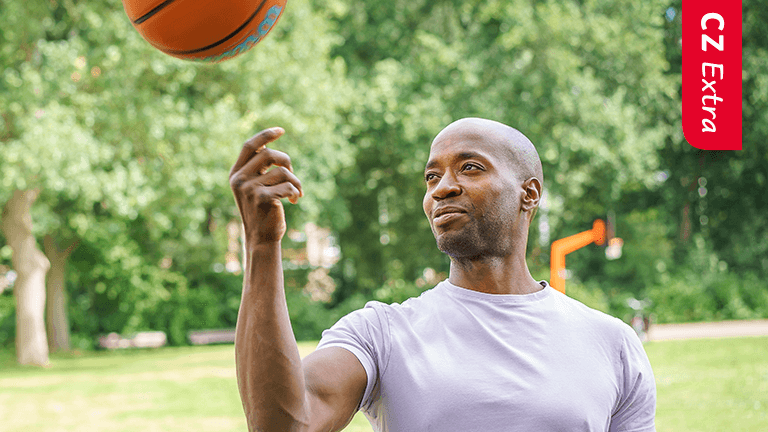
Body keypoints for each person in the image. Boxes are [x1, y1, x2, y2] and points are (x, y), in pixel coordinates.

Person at [229, 118, 656, 432]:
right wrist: (263, 246)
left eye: (470, 167)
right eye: (432, 176)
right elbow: (285, 426)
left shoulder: (612, 343)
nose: (441, 188)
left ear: (529, 193)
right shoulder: (380, 333)